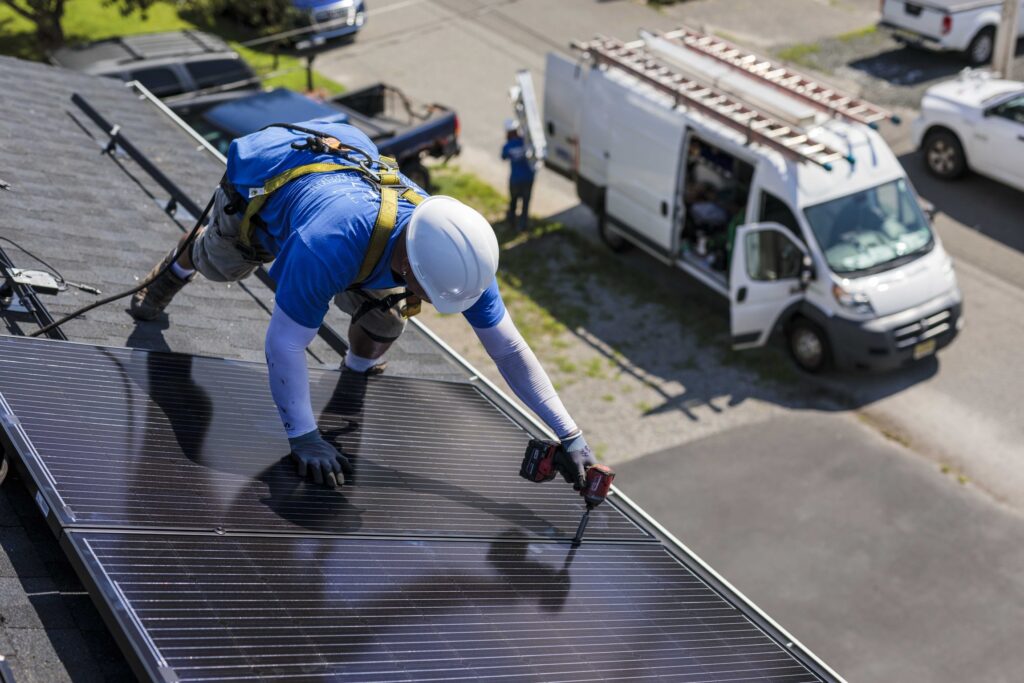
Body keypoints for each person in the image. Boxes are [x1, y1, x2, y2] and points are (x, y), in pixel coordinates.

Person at [129, 119, 595, 490]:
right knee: (222, 264)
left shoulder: (458, 250)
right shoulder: (326, 244)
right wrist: (303, 437)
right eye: (432, 295)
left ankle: (355, 369)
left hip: (352, 207)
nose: (436, 304)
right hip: (265, 194)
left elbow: (509, 351)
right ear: (412, 269)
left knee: (386, 319)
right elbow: (284, 345)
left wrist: (569, 434)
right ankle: (177, 267)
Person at [501, 119, 535, 231]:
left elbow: (503, 156)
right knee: (526, 202)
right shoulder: (526, 142)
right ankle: (523, 225)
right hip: (528, 178)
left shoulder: (508, 146)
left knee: (513, 200)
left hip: (515, 179)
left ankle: (511, 221)